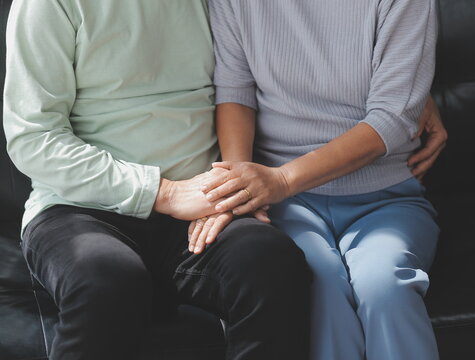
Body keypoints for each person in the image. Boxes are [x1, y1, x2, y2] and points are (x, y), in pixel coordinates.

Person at [3, 1, 313, 359]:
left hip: (199, 210)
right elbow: (34, 139)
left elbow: (238, 92)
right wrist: (163, 193)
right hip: (79, 207)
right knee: (108, 280)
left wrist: (231, 188)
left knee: (269, 261)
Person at [191, 0, 444, 359]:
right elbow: (235, 93)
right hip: (285, 204)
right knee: (314, 286)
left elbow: (392, 117)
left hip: (385, 196)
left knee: (385, 286)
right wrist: (238, 185)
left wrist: (282, 178)